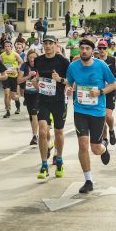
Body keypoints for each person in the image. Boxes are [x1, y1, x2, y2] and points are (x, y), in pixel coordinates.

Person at [66, 39, 116, 193]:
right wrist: (68, 89)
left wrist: (100, 92)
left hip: (97, 112)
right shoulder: (73, 66)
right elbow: (69, 83)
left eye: (87, 48)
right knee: (82, 145)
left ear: (92, 51)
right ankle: (88, 180)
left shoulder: (101, 65)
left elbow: (113, 84)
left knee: (95, 148)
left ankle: (104, 148)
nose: (84, 51)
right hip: (80, 111)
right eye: (82, 48)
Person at [34, 35, 69, 180]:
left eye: (50, 43)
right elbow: (37, 79)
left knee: (59, 132)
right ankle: (44, 165)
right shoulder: (38, 60)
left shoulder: (63, 62)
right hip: (43, 100)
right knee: (42, 132)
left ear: (56, 45)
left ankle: (59, 160)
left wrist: (59, 79)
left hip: (59, 101)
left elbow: (70, 82)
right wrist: (36, 83)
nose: (47, 46)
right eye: (45, 43)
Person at [96, 40, 116, 146]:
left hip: (110, 90)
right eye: (100, 48)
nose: (102, 50)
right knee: (102, 117)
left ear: (107, 48)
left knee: (108, 116)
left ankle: (111, 130)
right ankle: (105, 139)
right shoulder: (95, 61)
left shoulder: (113, 60)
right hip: (99, 92)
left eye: (104, 48)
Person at [17, 49, 40, 145]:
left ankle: (35, 136)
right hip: (28, 93)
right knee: (32, 115)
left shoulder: (40, 65)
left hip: (38, 93)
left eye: (34, 57)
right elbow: (18, 80)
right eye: (30, 57)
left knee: (34, 114)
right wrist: (28, 76)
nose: (32, 59)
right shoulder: (24, 65)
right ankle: (35, 133)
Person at [0, 40, 23, 118]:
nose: (7, 47)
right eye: (5, 46)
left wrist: (16, 69)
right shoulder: (2, 55)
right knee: (6, 93)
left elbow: (21, 62)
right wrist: (2, 71)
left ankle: (17, 103)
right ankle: (8, 111)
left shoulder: (15, 54)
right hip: (6, 77)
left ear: (11, 47)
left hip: (13, 77)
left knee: (13, 96)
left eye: (8, 46)